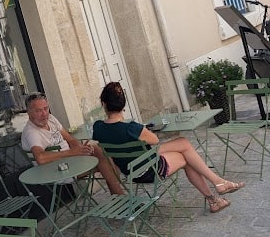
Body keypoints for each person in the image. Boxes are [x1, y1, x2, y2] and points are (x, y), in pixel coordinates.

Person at [92, 81, 244, 213]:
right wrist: (143, 130)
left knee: (183, 144)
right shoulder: (131, 128)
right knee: (185, 154)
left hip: (131, 171)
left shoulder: (98, 127)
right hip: (149, 170)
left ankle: (216, 193)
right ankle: (217, 188)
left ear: (104, 104)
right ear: (123, 105)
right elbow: (154, 140)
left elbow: (110, 139)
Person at [21, 92, 125, 195]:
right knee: (107, 163)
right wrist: (73, 152)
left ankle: (118, 196)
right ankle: (120, 196)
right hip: (58, 171)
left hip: (71, 161)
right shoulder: (32, 133)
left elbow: (69, 139)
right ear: (29, 112)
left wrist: (80, 149)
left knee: (100, 151)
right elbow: (40, 158)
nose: (44, 114)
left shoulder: (51, 119)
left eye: (46, 108)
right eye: (38, 110)